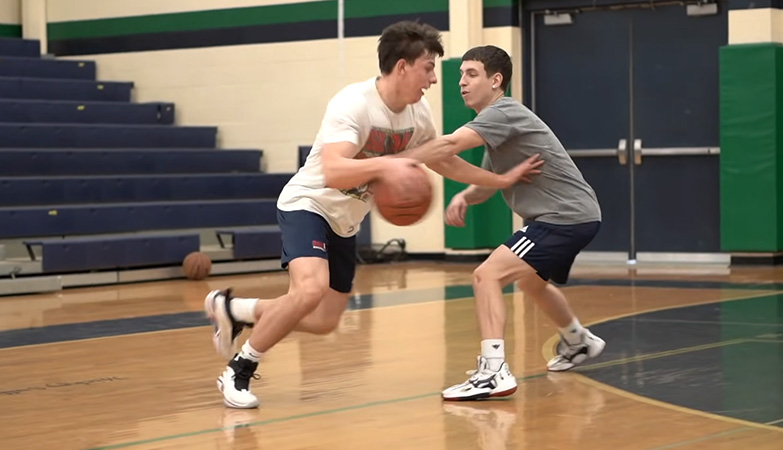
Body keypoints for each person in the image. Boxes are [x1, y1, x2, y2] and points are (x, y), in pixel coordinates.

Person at [204, 22, 543, 409]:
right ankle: (239, 368)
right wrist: (389, 167)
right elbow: (334, 171)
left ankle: (234, 309)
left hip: (345, 221)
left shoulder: (417, 112)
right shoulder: (354, 103)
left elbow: (442, 160)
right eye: (428, 68)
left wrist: (499, 179)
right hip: (310, 203)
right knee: (309, 290)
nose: (434, 79)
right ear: (402, 67)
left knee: (323, 320)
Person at [401, 45, 606, 401]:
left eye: (472, 74)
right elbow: (493, 180)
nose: (461, 82)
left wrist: (391, 162)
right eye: (460, 75)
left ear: (496, 81)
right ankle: (578, 340)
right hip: (575, 216)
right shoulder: (496, 123)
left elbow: (448, 144)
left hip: (562, 217)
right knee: (530, 282)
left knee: (486, 274)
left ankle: (493, 371)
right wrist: (465, 196)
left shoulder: (504, 112)